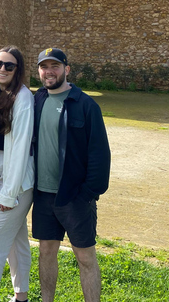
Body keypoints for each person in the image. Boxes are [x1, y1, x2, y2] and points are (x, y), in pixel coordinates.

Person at [32, 48, 110, 302]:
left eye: (55, 66)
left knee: (85, 257)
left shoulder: (85, 105)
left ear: (67, 69)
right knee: (46, 251)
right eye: (44, 67)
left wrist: (88, 193)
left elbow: (99, 154)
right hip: (43, 195)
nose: (49, 71)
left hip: (74, 196)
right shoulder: (37, 100)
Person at [0, 46, 35, 302]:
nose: (2, 68)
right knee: (16, 240)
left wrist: (9, 195)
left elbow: (21, 147)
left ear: (18, 70)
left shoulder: (22, 98)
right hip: (0, 181)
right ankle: (21, 297)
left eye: (9, 66)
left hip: (16, 185)